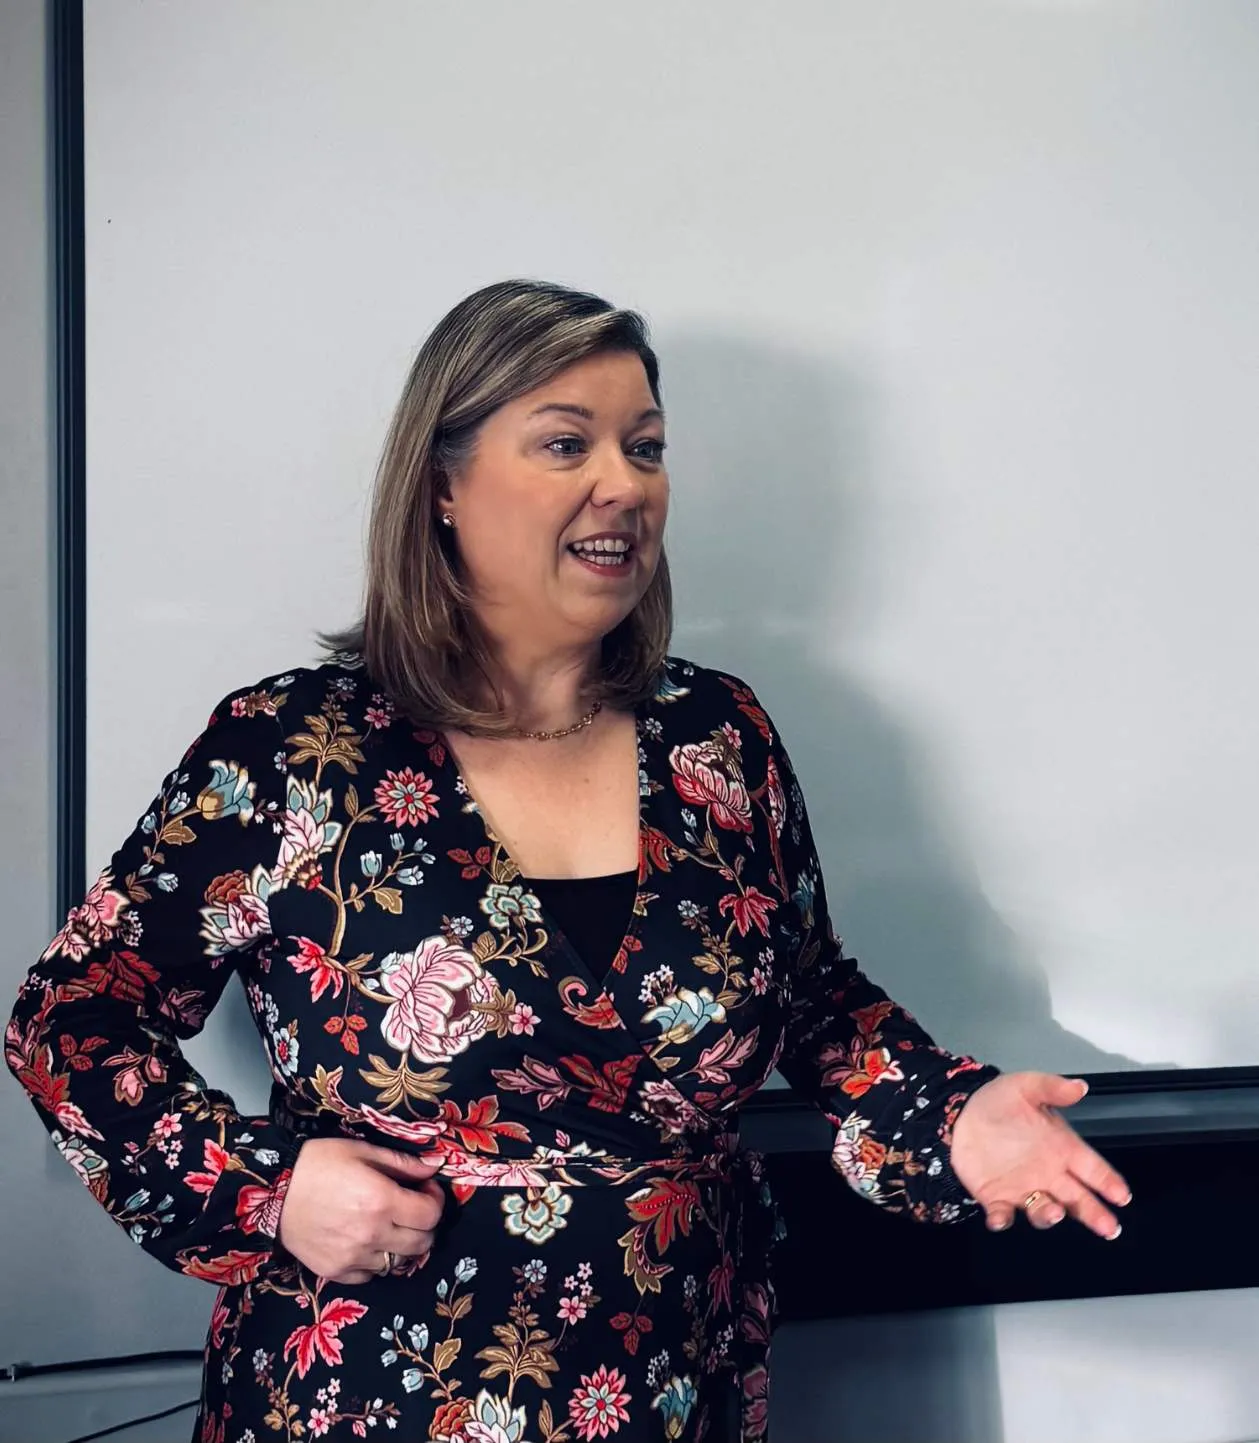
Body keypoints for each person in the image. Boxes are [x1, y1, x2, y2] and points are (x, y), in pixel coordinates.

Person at [6, 279, 1130, 1443]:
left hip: (670, 1388)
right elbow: (73, 1016)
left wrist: (948, 1118)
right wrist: (268, 1192)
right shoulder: (292, 750)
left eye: (645, 448)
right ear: (441, 484)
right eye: (565, 443)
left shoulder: (714, 737)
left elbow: (810, 1002)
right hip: (370, 1401)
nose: (626, 484)